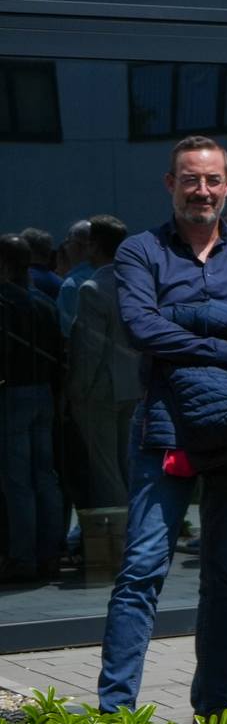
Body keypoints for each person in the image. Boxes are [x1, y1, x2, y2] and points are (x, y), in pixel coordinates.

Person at [97, 136, 227, 724]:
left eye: (212, 180)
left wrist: (191, 316)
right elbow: (140, 326)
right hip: (166, 431)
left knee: (226, 579)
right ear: (170, 184)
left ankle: (214, 711)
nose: (200, 190)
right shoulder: (140, 250)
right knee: (142, 570)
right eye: (189, 179)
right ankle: (114, 719)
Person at [0, 234, 63, 581]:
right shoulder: (44, 303)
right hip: (44, 394)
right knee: (45, 477)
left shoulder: (4, 302)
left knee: (17, 480)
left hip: (12, 395)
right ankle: (49, 553)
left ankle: (23, 556)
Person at [66, 216, 141, 510]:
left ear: (93, 246)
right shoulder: (135, 285)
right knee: (126, 464)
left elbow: (89, 353)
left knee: (105, 470)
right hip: (132, 387)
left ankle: (119, 539)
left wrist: (76, 391)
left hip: (101, 389)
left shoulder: (92, 289)